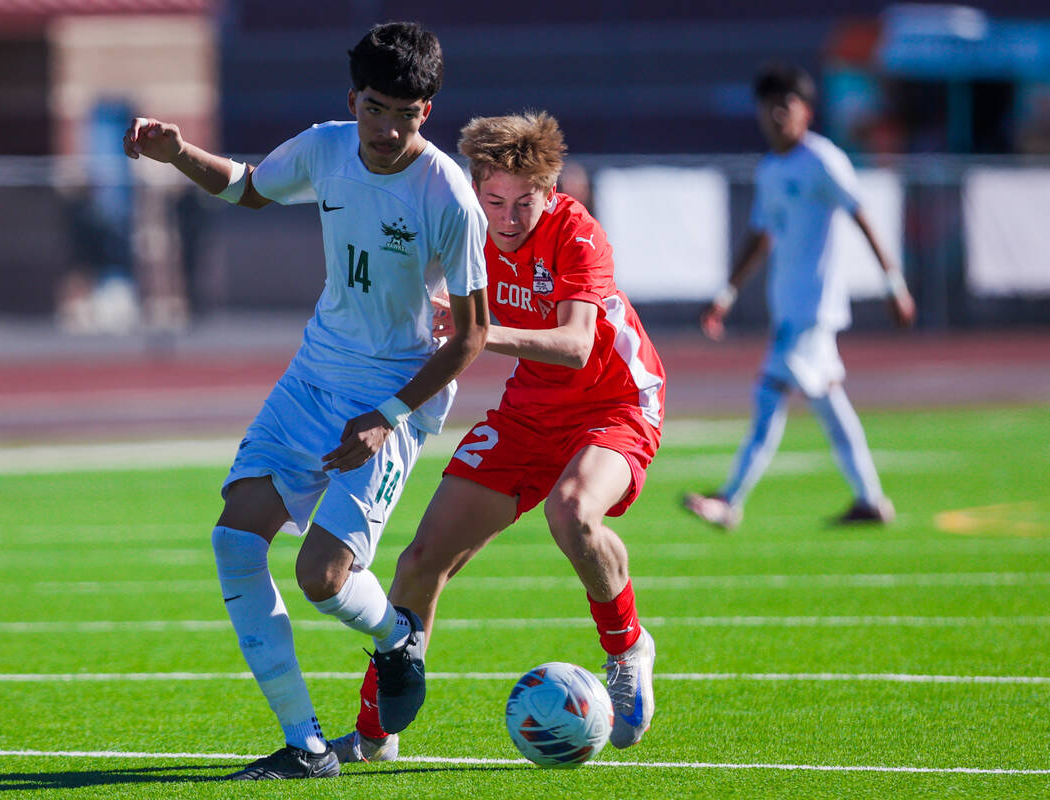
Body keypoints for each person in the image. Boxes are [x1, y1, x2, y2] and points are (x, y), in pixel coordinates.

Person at [122, 21, 488, 780]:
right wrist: (177, 154)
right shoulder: (325, 147)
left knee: (320, 578)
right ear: (353, 99)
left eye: (408, 113)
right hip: (314, 378)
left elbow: (472, 338)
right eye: (376, 108)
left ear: (430, 110)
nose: (388, 128)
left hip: (396, 397)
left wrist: (387, 419)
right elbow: (250, 189)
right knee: (233, 541)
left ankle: (396, 637)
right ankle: (307, 745)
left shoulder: (448, 194)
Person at [331, 111, 666, 763]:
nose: (508, 218)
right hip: (528, 413)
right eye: (494, 201)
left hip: (616, 401)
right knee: (421, 561)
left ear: (552, 190)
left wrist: (474, 331)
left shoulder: (578, 235)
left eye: (525, 203)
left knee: (571, 512)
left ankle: (627, 647)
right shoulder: (462, 228)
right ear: (475, 188)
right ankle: (375, 734)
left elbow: (573, 346)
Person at [682, 63, 916, 531]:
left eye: (784, 105)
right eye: (767, 107)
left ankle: (730, 500)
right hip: (789, 305)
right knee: (830, 404)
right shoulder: (771, 168)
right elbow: (759, 236)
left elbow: (863, 217)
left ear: (805, 111)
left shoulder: (823, 160)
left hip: (813, 308)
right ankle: (870, 499)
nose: (775, 115)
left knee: (768, 393)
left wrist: (895, 284)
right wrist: (726, 294)